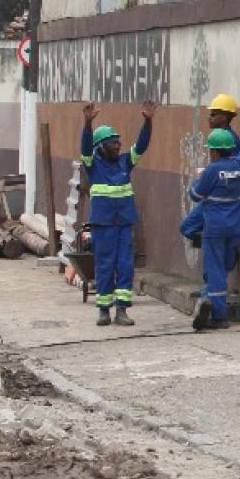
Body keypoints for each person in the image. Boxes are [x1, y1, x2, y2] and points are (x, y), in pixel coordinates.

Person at [80, 101, 154, 326]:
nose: (118, 145)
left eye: (118, 141)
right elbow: (84, 147)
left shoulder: (125, 162)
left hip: (123, 223)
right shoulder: (93, 165)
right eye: (113, 142)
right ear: (100, 146)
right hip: (103, 225)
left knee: (125, 265)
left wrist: (148, 122)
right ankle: (104, 310)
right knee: (104, 265)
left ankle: (122, 310)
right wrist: (87, 124)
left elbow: (140, 146)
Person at [182, 112, 240, 331]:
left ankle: (219, 315)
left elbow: (195, 195)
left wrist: (198, 180)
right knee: (224, 267)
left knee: (214, 270)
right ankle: (207, 297)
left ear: (214, 151)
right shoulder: (239, 165)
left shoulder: (212, 170)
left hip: (214, 227)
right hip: (235, 227)